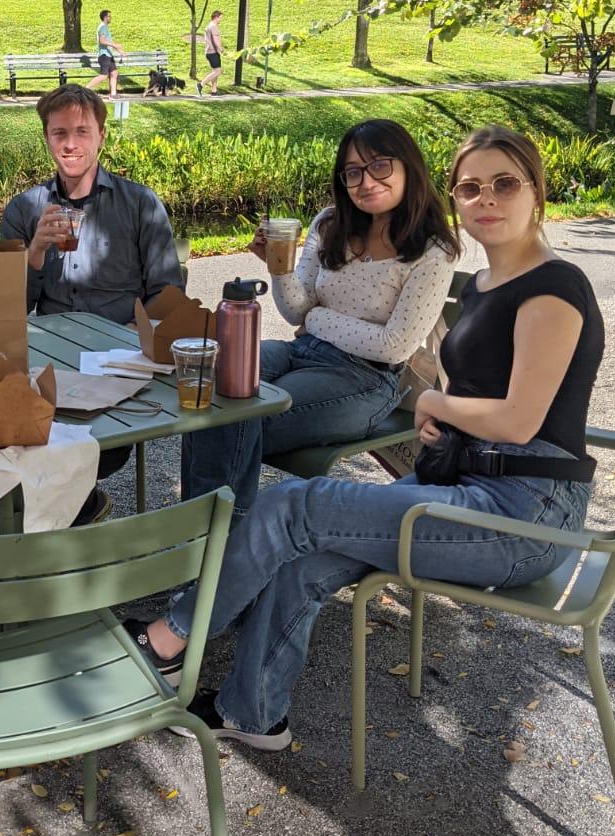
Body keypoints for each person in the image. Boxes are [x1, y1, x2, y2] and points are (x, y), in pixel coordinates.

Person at [128, 125, 602, 750]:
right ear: (455, 196)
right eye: (471, 186)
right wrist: (446, 416)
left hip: (523, 514)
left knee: (291, 505)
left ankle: (173, 636)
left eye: (504, 183)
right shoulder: (487, 286)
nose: (485, 198)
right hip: (465, 480)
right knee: (303, 558)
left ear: (536, 190)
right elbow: (486, 398)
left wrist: (431, 400)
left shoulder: (553, 287)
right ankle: (254, 713)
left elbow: (519, 420)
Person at [173, 118, 459, 532]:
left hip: (365, 378)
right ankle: (203, 540)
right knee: (210, 384)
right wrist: (279, 266)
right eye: (353, 172)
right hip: (302, 353)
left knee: (239, 414)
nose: (365, 181)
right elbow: (295, 311)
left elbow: (394, 345)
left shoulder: (433, 251)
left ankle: (211, 544)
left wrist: (318, 318)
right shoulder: (330, 223)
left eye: (379, 166)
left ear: (408, 167)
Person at [0, 85, 184, 522]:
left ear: (102, 135)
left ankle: (67, 533)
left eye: (82, 131)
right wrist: (35, 254)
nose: (70, 144)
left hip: (119, 368)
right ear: (46, 137)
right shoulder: (26, 209)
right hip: (50, 368)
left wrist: (141, 355)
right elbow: (5, 311)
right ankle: (77, 520)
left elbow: (166, 296)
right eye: (59, 132)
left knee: (50, 449)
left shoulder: (139, 204)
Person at [88, 9, 122, 98]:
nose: (111, 18)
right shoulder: (102, 27)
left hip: (109, 55)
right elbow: (102, 41)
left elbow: (108, 42)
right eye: (109, 16)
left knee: (114, 73)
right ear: (105, 17)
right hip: (104, 55)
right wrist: (114, 45)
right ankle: (86, 89)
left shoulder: (105, 27)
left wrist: (119, 50)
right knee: (104, 76)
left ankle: (113, 94)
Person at [198, 9, 223, 97]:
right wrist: (220, 49)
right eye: (220, 18)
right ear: (216, 17)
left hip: (210, 51)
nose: (221, 20)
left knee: (215, 71)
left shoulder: (209, 26)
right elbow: (216, 40)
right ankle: (201, 84)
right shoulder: (213, 26)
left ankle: (214, 90)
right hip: (212, 52)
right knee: (218, 71)